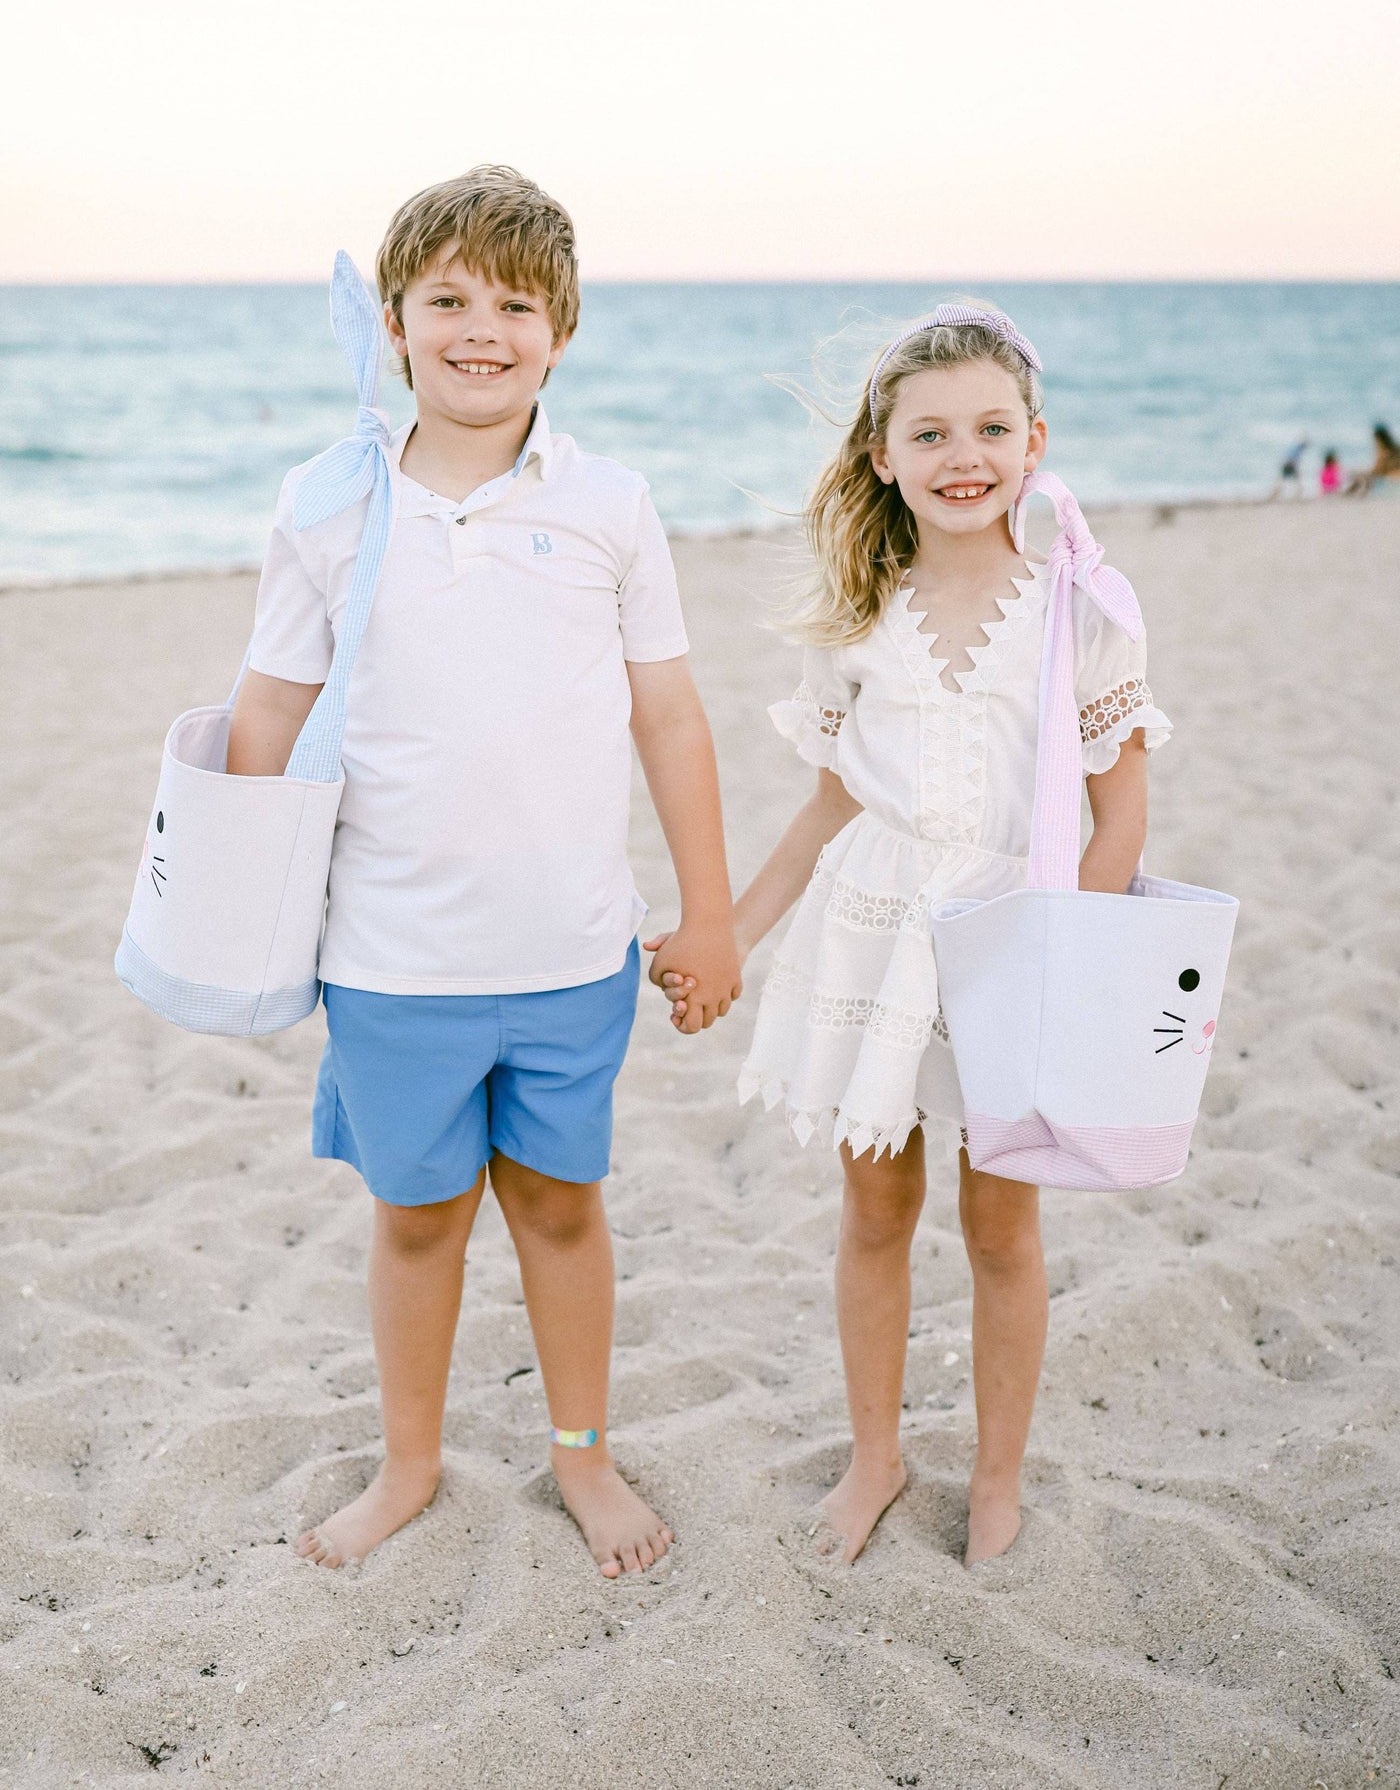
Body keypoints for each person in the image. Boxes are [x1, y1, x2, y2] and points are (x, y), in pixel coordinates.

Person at [227, 166, 741, 1577]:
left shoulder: (611, 503)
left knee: (566, 1210)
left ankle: (583, 1458)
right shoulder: (328, 504)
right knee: (417, 1220)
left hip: (575, 951)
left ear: (560, 331)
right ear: (393, 322)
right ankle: (410, 1462)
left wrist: (708, 911)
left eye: (515, 303)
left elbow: (671, 714)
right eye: (447, 297)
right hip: (390, 959)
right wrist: (228, 903)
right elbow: (266, 710)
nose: (480, 328)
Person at [668, 303, 1171, 1567]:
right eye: (931, 431)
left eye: (991, 428)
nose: (965, 454)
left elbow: (1120, 813)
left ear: (1034, 442)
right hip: (875, 937)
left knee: (1001, 1226)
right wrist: (727, 932)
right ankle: (876, 1458)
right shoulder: (860, 616)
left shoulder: (1080, 612)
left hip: (1020, 939)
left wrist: (1068, 962)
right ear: (882, 454)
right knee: (874, 1209)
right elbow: (825, 805)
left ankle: (995, 1476)